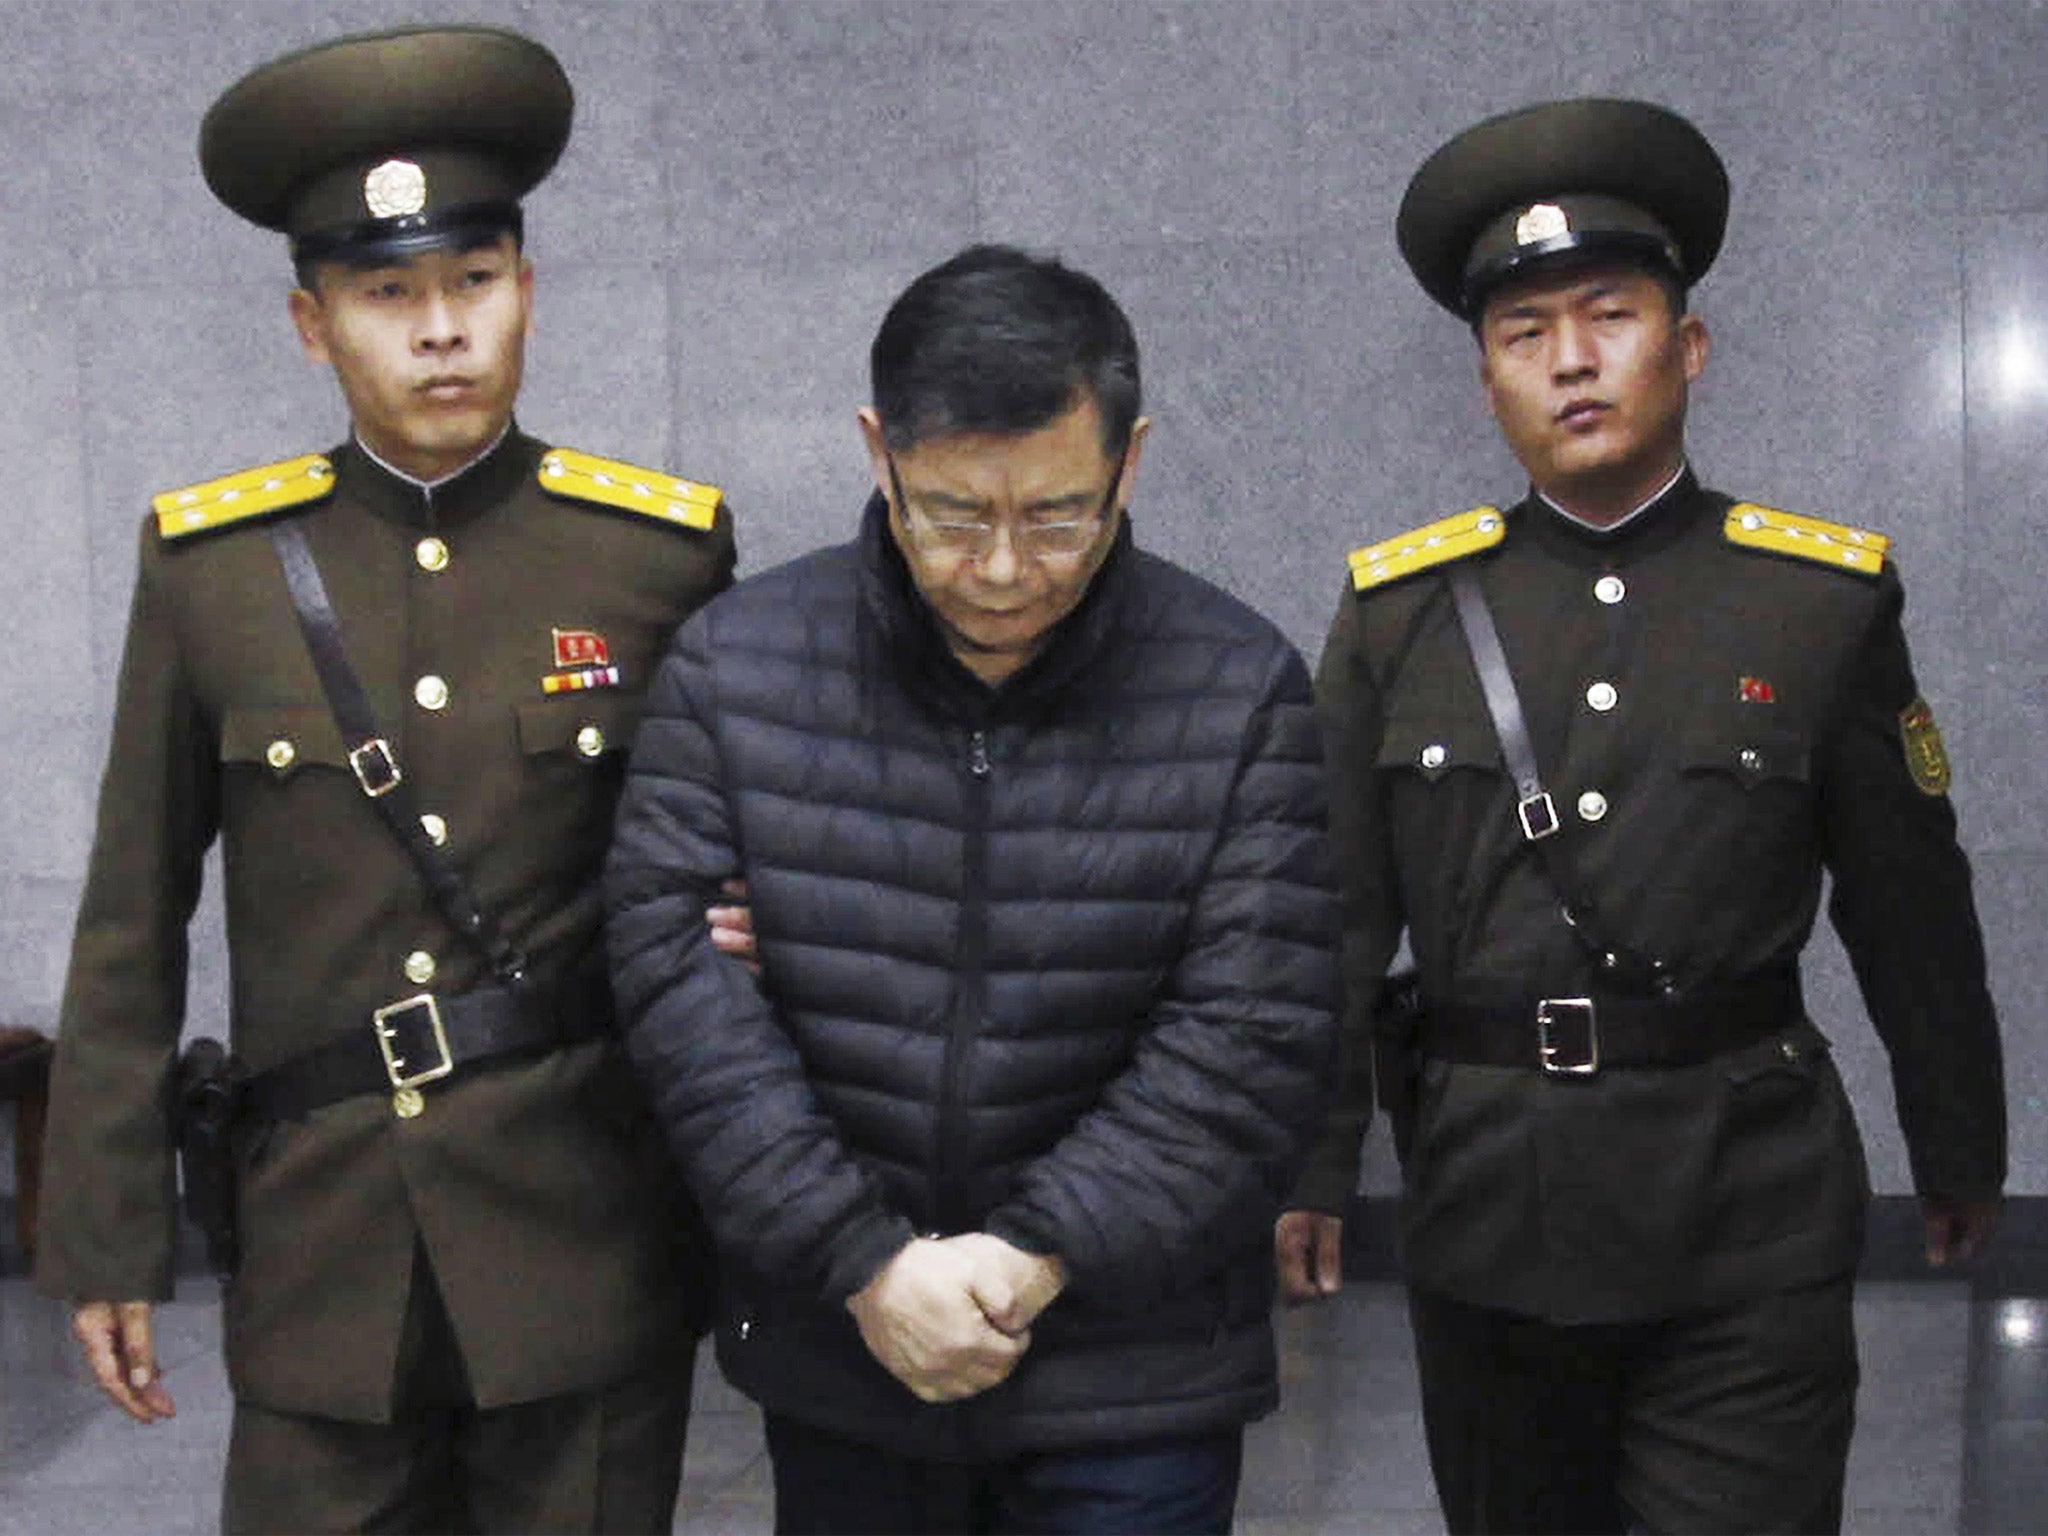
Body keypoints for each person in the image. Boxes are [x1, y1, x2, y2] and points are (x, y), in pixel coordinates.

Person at [35, 25, 734, 1534]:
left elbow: (719, 878)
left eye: (474, 283)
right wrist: (103, 1234)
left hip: (584, 1239)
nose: (439, 332)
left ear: (527, 293)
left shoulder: (658, 556)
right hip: (322, 1252)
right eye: (387, 293)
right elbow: (129, 919)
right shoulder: (211, 571)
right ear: (310, 323)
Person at [1281, 97, 2007, 1534]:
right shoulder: (1399, 617)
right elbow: (1335, 919)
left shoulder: (1816, 601)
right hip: (1494, 1206)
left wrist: (1957, 1140)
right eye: (1523, 334)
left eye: (1609, 315)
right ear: (1487, 381)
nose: (1570, 361)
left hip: (1747, 1208)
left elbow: (1909, 897)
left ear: (1688, 347)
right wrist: (1312, 1159)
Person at [605, 243, 1340, 1535]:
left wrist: (1027, 1257)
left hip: (1136, 1369)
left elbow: (1251, 1034)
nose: (1004, 568)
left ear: (1133, 458)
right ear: (877, 451)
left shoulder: (1238, 689)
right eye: (952, 513)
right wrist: (866, 1265)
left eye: (1059, 513)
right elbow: (681, 998)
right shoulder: (738, 672)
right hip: (848, 1358)